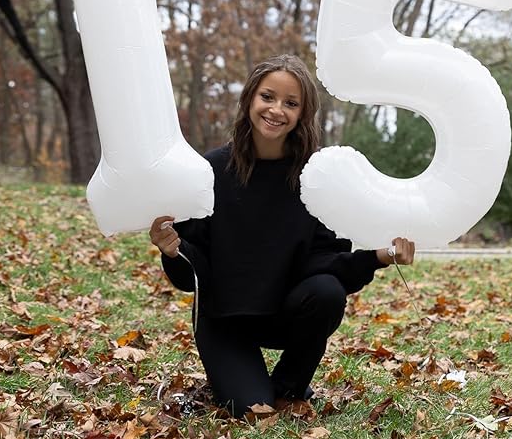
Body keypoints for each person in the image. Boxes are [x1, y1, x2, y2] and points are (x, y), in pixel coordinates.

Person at [149, 54, 415, 418]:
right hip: (224, 322)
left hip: (284, 315)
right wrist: (171, 251)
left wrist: (379, 256)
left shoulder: (316, 179)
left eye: (291, 103)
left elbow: (326, 266)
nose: (276, 110)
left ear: (303, 114)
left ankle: (290, 387)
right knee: (251, 410)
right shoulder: (209, 171)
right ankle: (246, 380)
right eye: (267, 97)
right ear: (249, 100)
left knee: (325, 293)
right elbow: (193, 276)